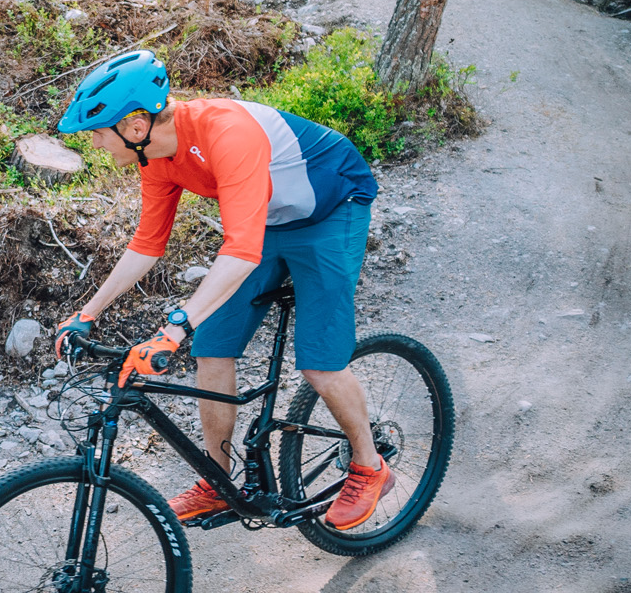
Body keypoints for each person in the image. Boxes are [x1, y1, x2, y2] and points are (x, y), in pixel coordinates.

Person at [52, 50, 389, 529]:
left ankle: (369, 466)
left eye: (98, 132)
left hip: (331, 209)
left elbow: (242, 252)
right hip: (263, 222)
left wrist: (175, 326)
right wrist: (88, 312)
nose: (95, 143)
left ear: (135, 127)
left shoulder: (227, 132)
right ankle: (218, 481)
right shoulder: (156, 157)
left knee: (320, 361)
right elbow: (147, 244)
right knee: (211, 349)